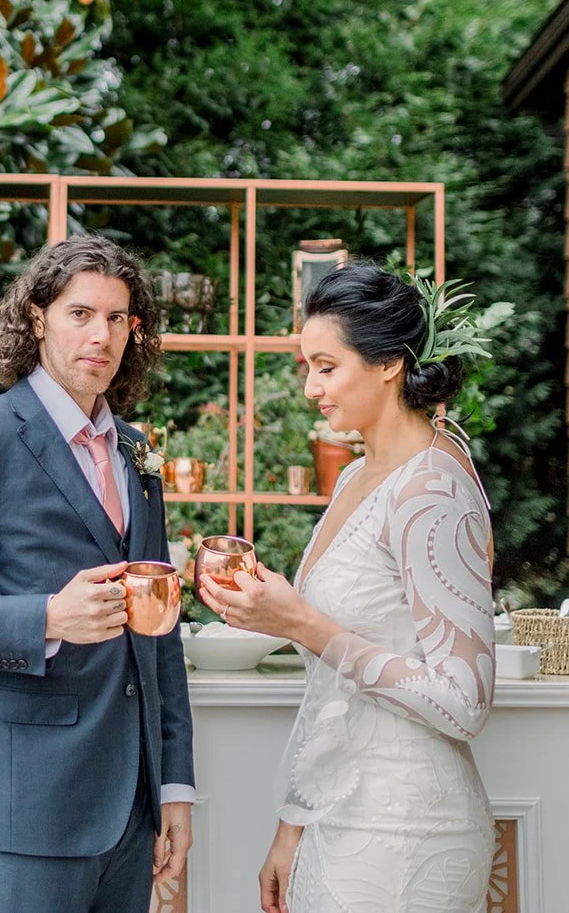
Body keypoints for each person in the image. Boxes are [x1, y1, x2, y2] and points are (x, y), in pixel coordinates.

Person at [0, 235, 195, 913]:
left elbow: (159, 628)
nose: (101, 334)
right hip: (23, 811)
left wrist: (173, 787)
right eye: (81, 313)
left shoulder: (136, 450)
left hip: (133, 814)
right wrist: (47, 618)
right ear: (38, 318)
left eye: (117, 317)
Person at [201, 263, 496, 913]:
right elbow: (332, 690)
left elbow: (465, 701)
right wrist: (293, 824)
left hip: (409, 833)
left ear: (389, 362)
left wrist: (301, 623)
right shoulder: (353, 477)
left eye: (327, 367)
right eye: (309, 367)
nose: (311, 387)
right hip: (338, 819)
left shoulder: (432, 488)